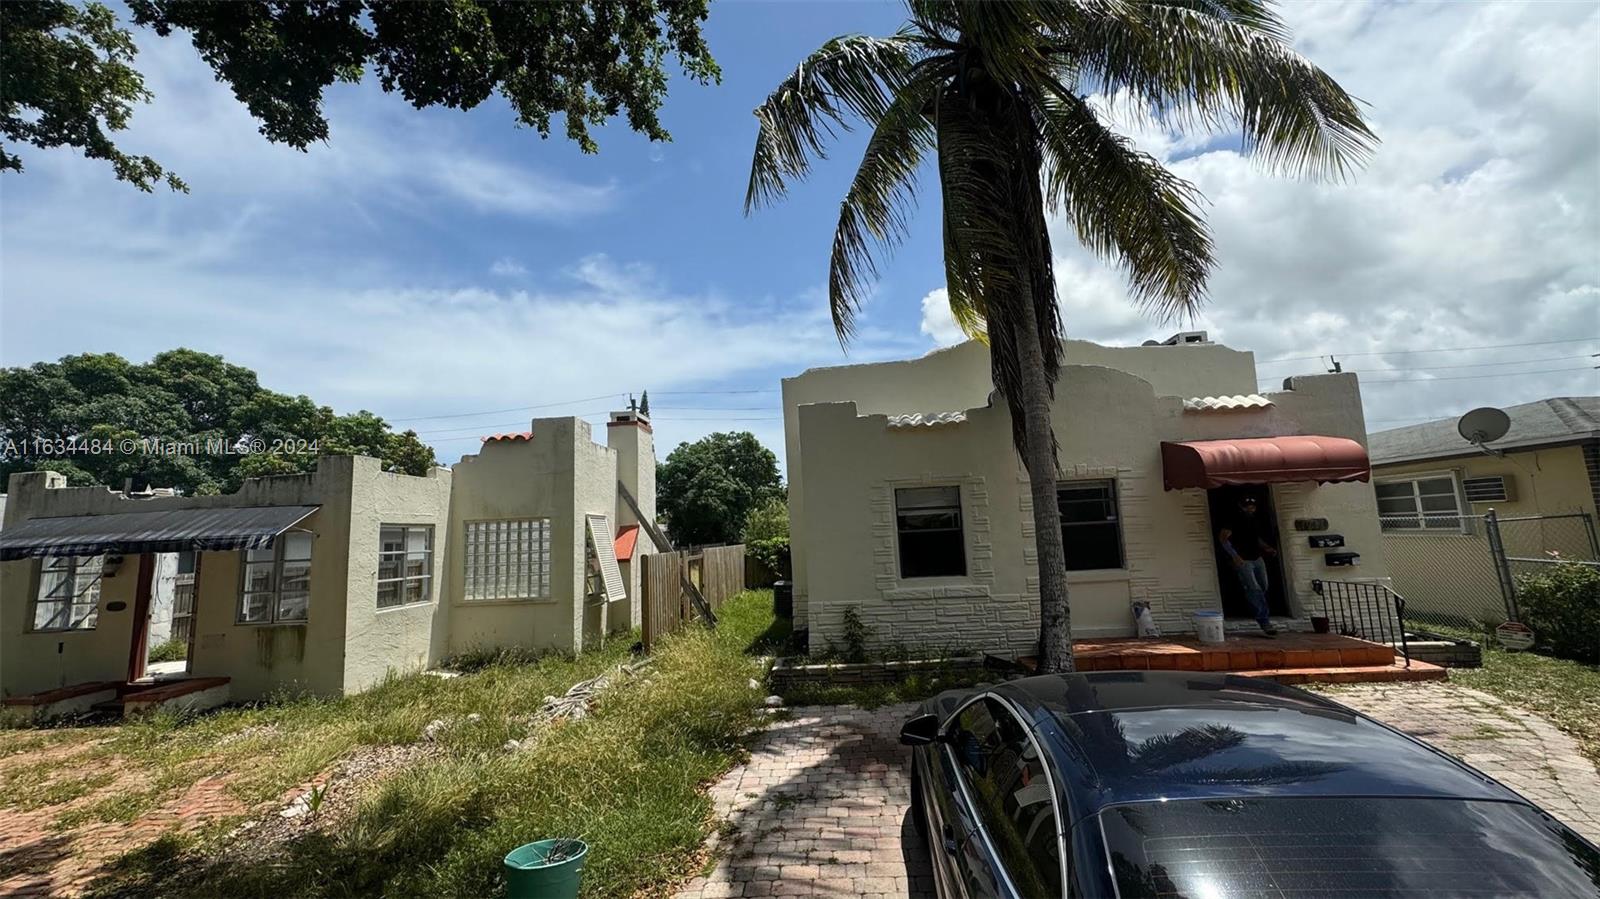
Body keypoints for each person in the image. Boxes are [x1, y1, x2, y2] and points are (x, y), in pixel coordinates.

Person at [1218, 495, 1279, 636]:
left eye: (1252, 505)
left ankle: (1257, 609)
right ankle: (1264, 622)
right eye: (1247, 505)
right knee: (1254, 588)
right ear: (1241, 506)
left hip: (1257, 557)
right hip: (1243, 560)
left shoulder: (1253, 520)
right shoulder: (1233, 519)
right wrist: (1235, 556)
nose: (1250, 508)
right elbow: (1223, 538)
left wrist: (1267, 548)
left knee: (1263, 586)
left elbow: (1255, 538)